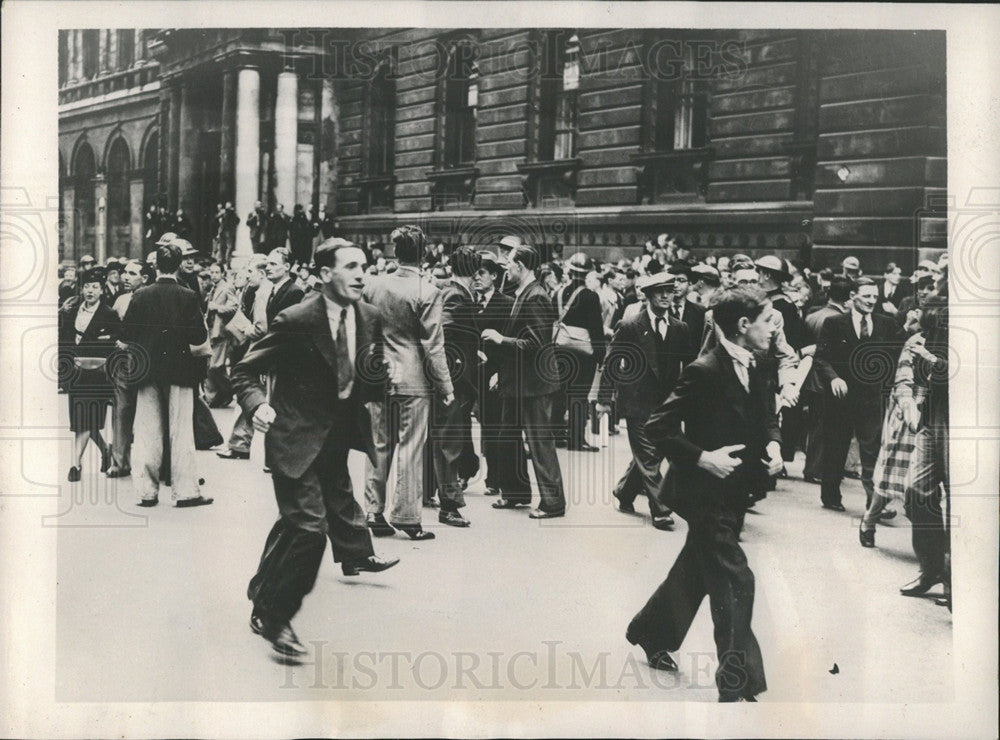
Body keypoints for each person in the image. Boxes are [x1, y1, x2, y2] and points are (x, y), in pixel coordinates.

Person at [231, 237, 399, 659]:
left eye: (365, 266)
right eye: (351, 267)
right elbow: (244, 371)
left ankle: (260, 591)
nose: (362, 274)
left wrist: (383, 372)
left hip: (335, 441)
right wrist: (258, 406)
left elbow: (365, 381)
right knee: (310, 529)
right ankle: (277, 618)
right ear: (325, 275)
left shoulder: (370, 316)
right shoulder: (296, 319)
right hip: (293, 439)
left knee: (295, 523)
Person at [627, 287, 782, 703]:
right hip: (701, 492)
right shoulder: (704, 369)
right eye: (768, 321)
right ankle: (738, 679)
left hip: (737, 490)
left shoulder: (761, 361)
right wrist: (703, 458)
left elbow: (766, 414)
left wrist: (774, 445)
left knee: (697, 568)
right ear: (743, 326)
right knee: (736, 576)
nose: (774, 328)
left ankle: (651, 632)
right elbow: (657, 428)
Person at [362, 226, 453, 541]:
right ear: (424, 254)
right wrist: (446, 386)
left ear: (395, 252)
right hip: (412, 377)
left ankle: (373, 511)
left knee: (378, 444)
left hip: (379, 374)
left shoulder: (373, 285)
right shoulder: (428, 291)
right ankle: (407, 517)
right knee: (411, 447)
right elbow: (433, 345)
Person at [119, 243, 213, 507]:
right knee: (181, 432)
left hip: (148, 371)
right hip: (180, 371)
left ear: (156, 266)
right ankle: (185, 492)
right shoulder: (188, 295)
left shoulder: (140, 295)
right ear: (179, 264)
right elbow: (198, 337)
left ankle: (147, 492)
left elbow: (126, 336)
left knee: (148, 431)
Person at [597, 271, 691, 529]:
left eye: (669, 290)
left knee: (653, 452)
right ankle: (660, 509)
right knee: (649, 455)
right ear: (648, 295)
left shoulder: (679, 328)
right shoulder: (630, 326)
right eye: (659, 291)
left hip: (666, 405)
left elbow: (689, 366)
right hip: (637, 402)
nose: (665, 295)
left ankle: (624, 492)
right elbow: (612, 363)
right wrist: (604, 399)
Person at [482, 245, 567, 519]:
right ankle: (516, 493)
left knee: (540, 442)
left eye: (509, 262)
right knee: (507, 436)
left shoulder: (535, 297)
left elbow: (536, 344)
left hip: (534, 385)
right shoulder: (526, 294)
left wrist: (499, 339)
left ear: (521, 266)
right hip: (519, 383)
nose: (506, 266)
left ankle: (553, 502)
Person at [813, 277, 903, 512]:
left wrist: (890, 384)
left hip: (871, 399)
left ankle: (874, 503)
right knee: (836, 446)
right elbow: (821, 358)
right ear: (853, 296)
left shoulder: (886, 324)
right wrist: (834, 378)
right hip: (840, 399)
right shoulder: (834, 323)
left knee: (872, 449)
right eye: (866, 296)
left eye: (875, 296)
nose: (872, 301)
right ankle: (830, 495)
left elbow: (896, 356)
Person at [428, 247, 482, 527]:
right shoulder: (458, 296)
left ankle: (431, 493)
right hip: (456, 382)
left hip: (454, 378)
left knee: (443, 439)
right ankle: (449, 506)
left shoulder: (452, 292)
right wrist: (458, 366)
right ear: (473, 272)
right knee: (450, 443)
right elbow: (445, 335)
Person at [59, 267, 120, 482]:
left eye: (95, 287)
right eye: (86, 287)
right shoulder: (71, 310)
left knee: (85, 419)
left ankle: (75, 464)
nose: (90, 291)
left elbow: (114, 345)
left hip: (97, 375)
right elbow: (64, 341)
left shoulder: (109, 314)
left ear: (102, 290)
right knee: (82, 420)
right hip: (76, 373)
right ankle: (105, 451)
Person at [472, 252, 516, 497]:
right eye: (474, 274)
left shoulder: (506, 304)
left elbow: (508, 342)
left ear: (494, 276)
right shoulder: (471, 302)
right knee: (485, 425)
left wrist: (500, 372)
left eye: (482, 273)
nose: (476, 278)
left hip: (496, 375)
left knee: (496, 425)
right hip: (476, 374)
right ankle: (490, 475)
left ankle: (496, 478)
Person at [801, 276, 852, 483]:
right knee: (824, 427)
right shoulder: (837, 320)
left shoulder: (813, 315)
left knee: (815, 425)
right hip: (825, 377)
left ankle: (812, 466)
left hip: (809, 375)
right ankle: (815, 469)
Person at [554, 253, 606, 452]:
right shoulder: (590, 296)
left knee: (558, 393)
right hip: (583, 354)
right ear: (587, 274)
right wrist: (600, 355)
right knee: (579, 395)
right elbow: (596, 328)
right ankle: (576, 439)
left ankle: (557, 435)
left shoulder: (557, 294)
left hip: (559, 349)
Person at [105, 259, 153, 477]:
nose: (125, 276)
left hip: (148, 363)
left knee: (150, 414)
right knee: (121, 412)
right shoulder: (121, 300)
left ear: (145, 278)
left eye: (132, 273)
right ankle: (119, 462)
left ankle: (154, 464)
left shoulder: (153, 297)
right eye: (125, 272)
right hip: (124, 364)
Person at [203, 262, 239, 408]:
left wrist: (216, 307)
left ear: (223, 273)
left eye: (217, 272)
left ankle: (229, 389)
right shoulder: (213, 288)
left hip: (221, 332)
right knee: (211, 366)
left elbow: (234, 306)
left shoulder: (226, 287)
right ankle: (213, 396)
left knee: (215, 366)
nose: (213, 275)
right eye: (211, 272)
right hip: (212, 330)